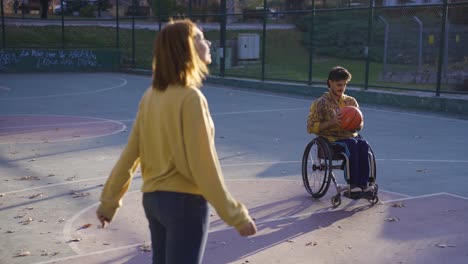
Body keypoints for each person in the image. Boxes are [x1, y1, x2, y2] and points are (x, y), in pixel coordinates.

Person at [96, 19, 257, 264]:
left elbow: (130, 154)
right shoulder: (191, 98)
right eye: (201, 38)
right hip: (184, 204)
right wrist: (235, 215)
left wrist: (108, 202)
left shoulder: (151, 95)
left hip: (153, 201)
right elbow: (203, 166)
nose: (208, 42)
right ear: (188, 48)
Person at [307, 66, 372, 192]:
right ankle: (353, 184)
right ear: (330, 82)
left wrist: (357, 124)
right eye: (338, 84)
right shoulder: (321, 103)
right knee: (352, 144)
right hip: (331, 140)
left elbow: (360, 125)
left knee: (364, 144)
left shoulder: (351, 101)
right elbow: (311, 127)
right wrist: (332, 122)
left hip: (350, 136)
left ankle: (364, 184)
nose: (341, 88)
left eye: (344, 85)